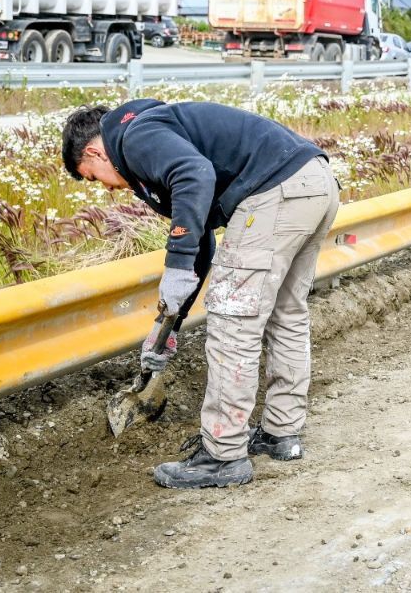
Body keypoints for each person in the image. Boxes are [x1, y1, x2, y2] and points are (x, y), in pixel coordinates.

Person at [61, 99, 339, 488]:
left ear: (93, 153)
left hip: (275, 194)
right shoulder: (158, 131)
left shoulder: (134, 137)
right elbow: (201, 237)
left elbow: (195, 174)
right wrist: (171, 321)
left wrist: (173, 267)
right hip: (314, 183)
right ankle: (281, 433)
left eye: (92, 177)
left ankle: (223, 456)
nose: (106, 189)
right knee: (285, 315)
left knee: (231, 323)